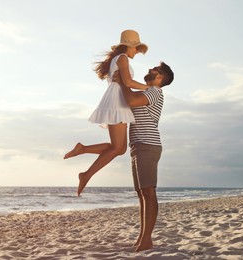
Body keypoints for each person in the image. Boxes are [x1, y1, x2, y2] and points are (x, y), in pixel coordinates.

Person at [64, 30, 149, 196]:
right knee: (118, 148)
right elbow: (128, 82)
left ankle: (83, 156)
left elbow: (125, 82)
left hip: (117, 101)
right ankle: (86, 172)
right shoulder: (122, 58)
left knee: (119, 148)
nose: (137, 51)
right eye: (135, 48)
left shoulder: (118, 59)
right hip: (117, 102)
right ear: (127, 46)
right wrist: (149, 88)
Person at [116, 62, 174, 252]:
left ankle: (147, 239)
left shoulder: (154, 91)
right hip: (139, 145)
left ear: (160, 78)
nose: (150, 69)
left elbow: (131, 101)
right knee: (142, 194)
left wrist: (123, 82)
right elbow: (129, 100)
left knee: (148, 192)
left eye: (154, 70)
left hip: (147, 145)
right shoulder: (148, 91)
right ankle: (143, 237)